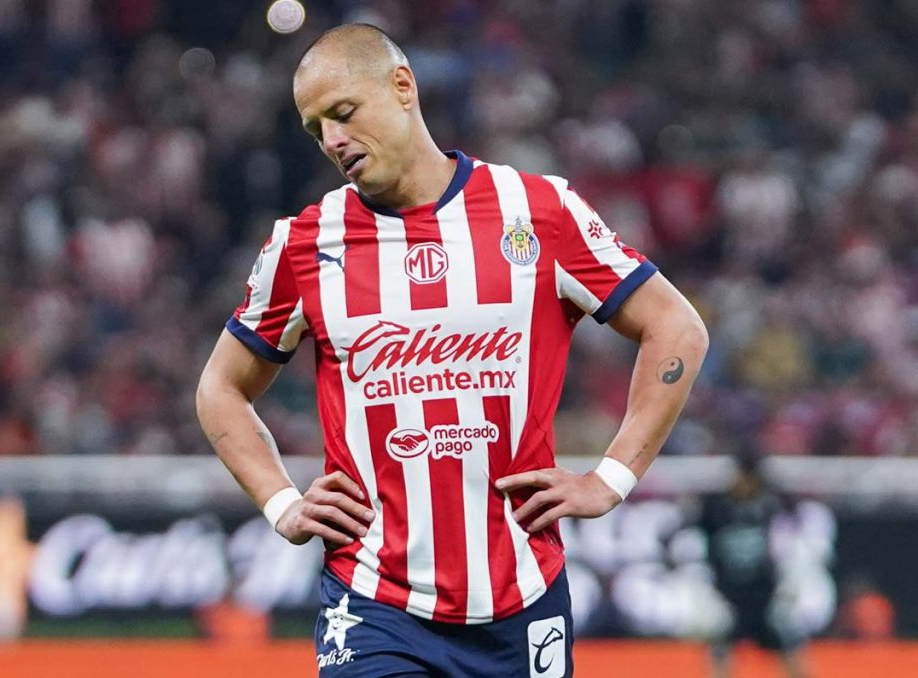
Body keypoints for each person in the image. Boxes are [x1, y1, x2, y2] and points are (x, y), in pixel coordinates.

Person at [196, 23, 708, 678]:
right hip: (373, 602)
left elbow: (677, 329)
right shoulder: (305, 244)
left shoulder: (539, 211)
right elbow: (220, 388)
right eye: (316, 128)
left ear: (402, 86)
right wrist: (281, 503)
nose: (333, 140)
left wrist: (611, 478)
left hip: (523, 597)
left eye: (343, 113)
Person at [700, 453, 808, 678]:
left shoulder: (771, 505)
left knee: (788, 646)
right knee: (720, 649)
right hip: (729, 593)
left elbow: (787, 540)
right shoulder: (716, 508)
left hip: (764, 593)